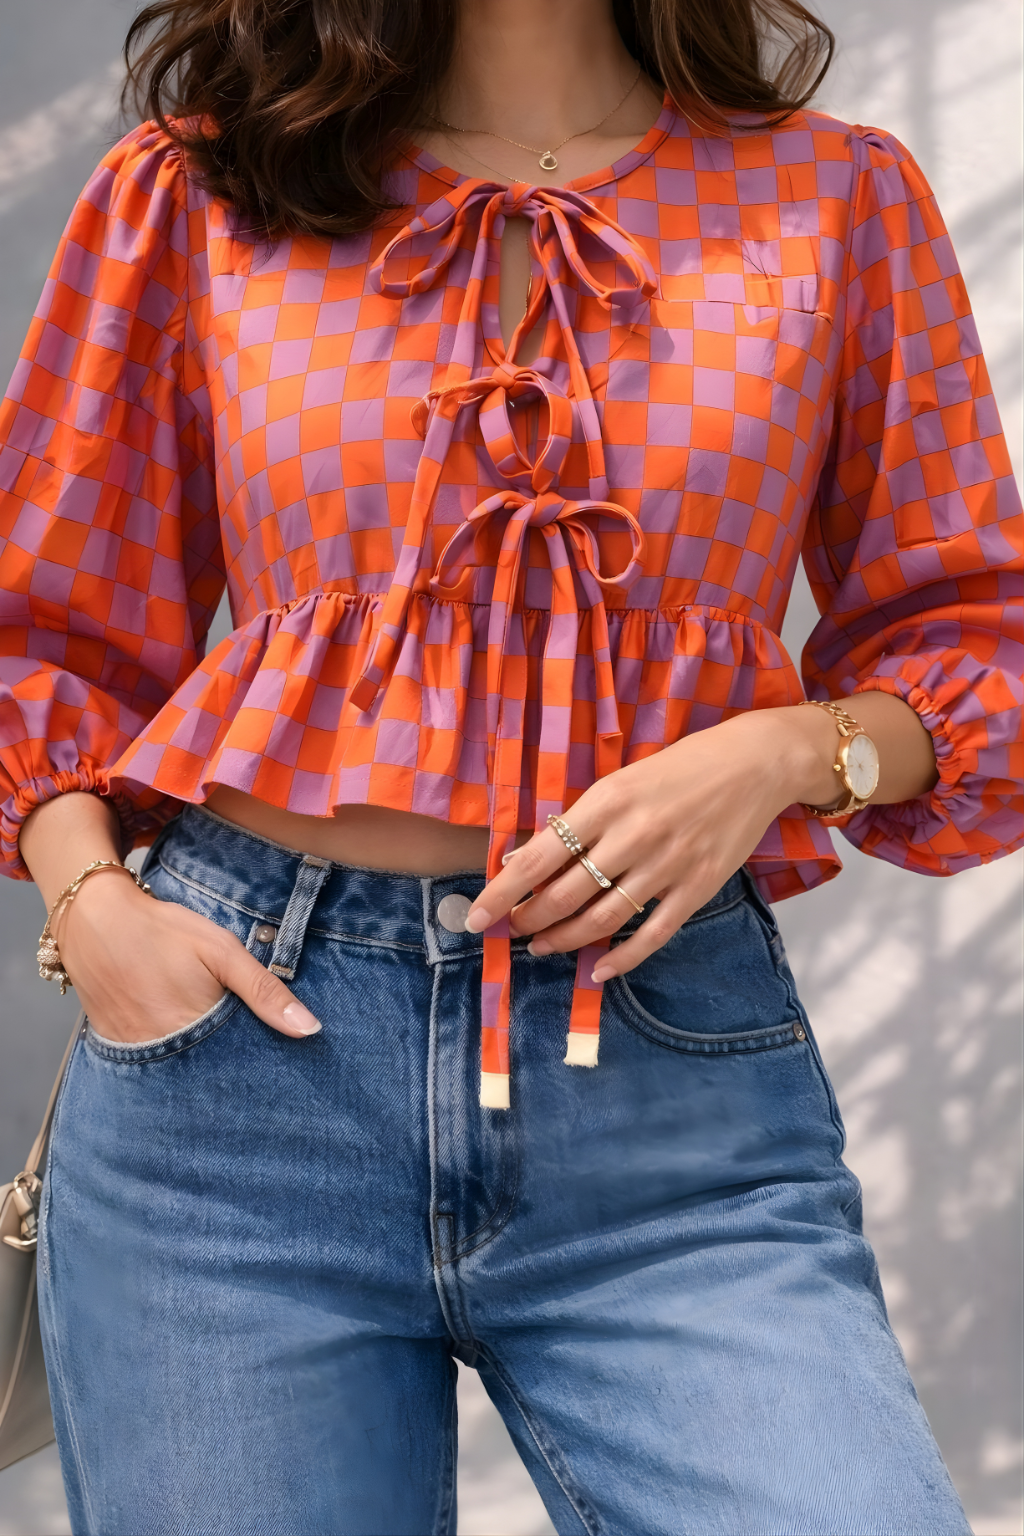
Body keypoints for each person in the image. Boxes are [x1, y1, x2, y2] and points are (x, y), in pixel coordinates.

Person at [1, 0, 1019, 1529]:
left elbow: (979, 635)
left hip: (671, 1081)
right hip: (235, 1092)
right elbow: (49, 631)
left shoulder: (835, 198)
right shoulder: (197, 189)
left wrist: (794, 748)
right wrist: (94, 911)